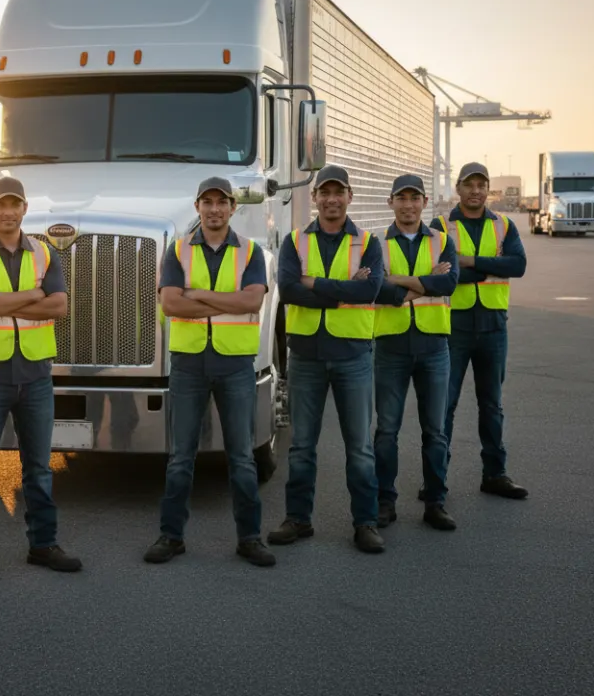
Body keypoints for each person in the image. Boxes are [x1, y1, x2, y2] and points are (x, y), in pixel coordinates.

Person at [0, 176, 81, 587]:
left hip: (36, 376)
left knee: (39, 470)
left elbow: (59, 306)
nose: (8, 211)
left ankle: (43, 544)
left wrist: (3, 301)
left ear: (24, 209)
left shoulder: (44, 253)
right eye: (0, 204)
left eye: (15, 204)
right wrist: (31, 296)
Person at [145, 177, 273, 567]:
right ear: (197, 207)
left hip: (235, 366)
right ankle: (171, 536)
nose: (215, 209)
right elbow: (171, 305)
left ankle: (250, 538)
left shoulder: (251, 252)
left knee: (242, 458)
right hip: (188, 365)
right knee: (181, 456)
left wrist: (196, 294)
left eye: (222, 202)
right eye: (207, 202)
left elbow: (252, 299)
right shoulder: (177, 250)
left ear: (234, 208)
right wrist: (226, 304)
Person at [269, 165, 386, 554]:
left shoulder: (368, 242)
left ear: (349, 196)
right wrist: (342, 292)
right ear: (315, 197)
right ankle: (298, 519)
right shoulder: (294, 241)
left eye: (339, 192)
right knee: (302, 445)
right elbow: (287, 289)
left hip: (353, 356)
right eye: (325, 192)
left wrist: (313, 283)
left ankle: (365, 523)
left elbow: (369, 290)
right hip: (306, 356)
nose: (332, 199)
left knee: (360, 447)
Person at [433, 162, 529, 499]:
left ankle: (495, 473)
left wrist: (470, 262)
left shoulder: (503, 225)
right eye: (469, 185)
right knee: (444, 405)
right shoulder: (440, 226)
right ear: (457, 189)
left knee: (492, 404)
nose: (475, 191)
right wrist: (488, 266)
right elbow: (440, 273)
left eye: (481, 185)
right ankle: (435, 477)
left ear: (488, 190)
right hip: (453, 328)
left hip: (492, 327)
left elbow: (517, 265)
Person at [372, 174, 460, 532]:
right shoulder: (376, 243)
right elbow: (376, 289)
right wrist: (423, 281)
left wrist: (398, 281)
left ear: (425, 202)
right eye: (401, 198)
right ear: (391, 202)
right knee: (386, 431)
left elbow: (449, 282)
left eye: (414, 198)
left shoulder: (442, 241)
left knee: (435, 431)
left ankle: (435, 502)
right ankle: (384, 502)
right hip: (391, 346)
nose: (408, 205)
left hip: (434, 347)